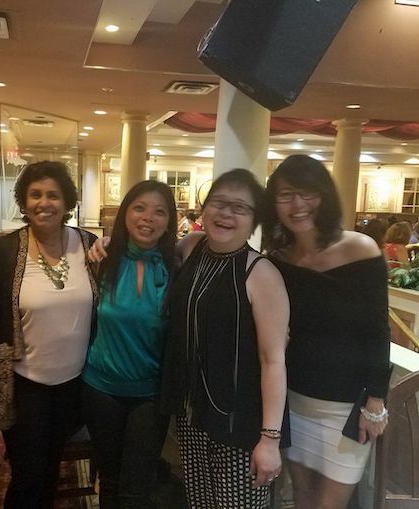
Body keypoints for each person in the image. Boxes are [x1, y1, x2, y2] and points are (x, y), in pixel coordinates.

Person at [263, 155, 391, 509]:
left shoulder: (360, 249)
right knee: (303, 497)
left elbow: (378, 331)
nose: (298, 205)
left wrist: (376, 401)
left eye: (308, 193)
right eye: (286, 194)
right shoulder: (277, 261)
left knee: (329, 504)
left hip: (348, 405)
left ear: (325, 196)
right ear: (274, 203)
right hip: (295, 398)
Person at [160, 169, 290, 508]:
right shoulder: (190, 249)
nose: (226, 213)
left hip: (241, 425)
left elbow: (273, 360)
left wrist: (269, 440)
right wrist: (104, 244)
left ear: (254, 220)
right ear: (204, 208)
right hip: (193, 416)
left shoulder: (260, 273)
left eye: (240, 208)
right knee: (201, 503)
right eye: (218, 203)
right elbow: (145, 248)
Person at [0, 161, 99, 509]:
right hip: (25, 385)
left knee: (50, 471)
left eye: (53, 195)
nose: (44, 202)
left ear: (67, 202)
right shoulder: (2, 252)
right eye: (35, 195)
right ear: (23, 201)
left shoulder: (89, 246)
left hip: (75, 385)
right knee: (28, 476)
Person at [81, 180, 177, 509]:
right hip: (101, 389)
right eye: (139, 208)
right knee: (109, 478)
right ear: (125, 214)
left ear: (169, 222)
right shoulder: (101, 259)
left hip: (150, 394)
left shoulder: (177, 266)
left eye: (159, 212)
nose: (148, 217)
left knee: (137, 486)